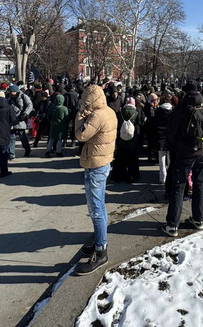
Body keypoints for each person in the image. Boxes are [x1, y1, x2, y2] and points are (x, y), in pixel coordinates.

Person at [74, 83, 117, 275]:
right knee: (100, 206)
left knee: (96, 209)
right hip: (103, 161)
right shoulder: (108, 111)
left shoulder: (97, 115)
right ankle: (100, 241)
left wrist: (80, 115)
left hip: (95, 165)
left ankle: (101, 251)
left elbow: (80, 135)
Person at [161, 86, 203, 237]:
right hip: (202, 151)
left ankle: (172, 225)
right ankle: (198, 218)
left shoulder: (180, 110)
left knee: (178, 188)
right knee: (199, 184)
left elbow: (171, 133)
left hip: (184, 153)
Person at [111, 97, 141, 183]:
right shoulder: (136, 113)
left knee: (120, 158)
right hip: (133, 139)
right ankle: (132, 176)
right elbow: (140, 125)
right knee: (133, 159)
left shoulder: (120, 113)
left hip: (121, 138)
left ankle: (118, 176)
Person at [9, 84, 35, 157]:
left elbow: (30, 105)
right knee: (12, 137)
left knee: (22, 136)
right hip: (12, 119)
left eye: (12, 91)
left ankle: (27, 149)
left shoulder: (23, 96)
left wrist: (25, 113)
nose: (10, 93)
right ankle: (11, 154)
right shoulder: (9, 98)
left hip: (21, 118)